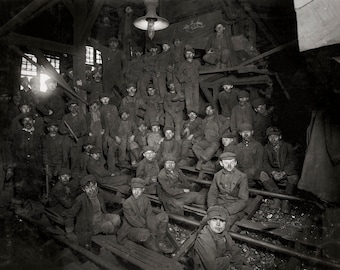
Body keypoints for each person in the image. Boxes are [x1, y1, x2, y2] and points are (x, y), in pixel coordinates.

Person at [64, 174, 123, 248]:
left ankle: (113, 231)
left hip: (101, 216)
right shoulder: (80, 199)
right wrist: (69, 231)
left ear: (96, 185)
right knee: (108, 226)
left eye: (93, 186)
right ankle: (112, 234)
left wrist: (123, 201)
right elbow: (70, 214)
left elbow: (110, 197)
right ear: (83, 189)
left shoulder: (99, 192)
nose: (91, 189)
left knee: (117, 218)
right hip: (90, 225)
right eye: (88, 188)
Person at [117, 178, 174, 254]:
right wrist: (150, 231)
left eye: (139, 189)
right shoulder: (127, 203)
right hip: (131, 229)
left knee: (163, 216)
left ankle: (161, 241)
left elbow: (149, 216)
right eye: (134, 189)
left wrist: (153, 232)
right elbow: (134, 221)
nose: (136, 192)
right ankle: (154, 244)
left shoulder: (146, 200)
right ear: (131, 189)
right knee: (155, 249)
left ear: (143, 190)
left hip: (145, 225)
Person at [194, 205, 249, 270]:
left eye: (221, 221)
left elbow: (234, 250)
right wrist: (228, 258)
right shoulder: (204, 238)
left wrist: (238, 265)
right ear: (209, 222)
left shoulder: (224, 233)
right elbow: (213, 266)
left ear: (225, 223)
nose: (218, 224)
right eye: (214, 219)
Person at [259, 127, 299, 213]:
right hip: (274, 172)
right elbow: (265, 163)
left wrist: (284, 173)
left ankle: (286, 201)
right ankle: (276, 198)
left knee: (294, 177)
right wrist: (273, 172)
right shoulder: (266, 147)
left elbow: (293, 162)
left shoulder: (288, 146)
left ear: (280, 137)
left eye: (275, 137)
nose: (273, 139)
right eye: (270, 137)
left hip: (285, 171)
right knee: (262, 174)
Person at [207, 152, 249, 230]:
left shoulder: (242, 177)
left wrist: (228, 211)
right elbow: (212, 193)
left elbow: (243, 200)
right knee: (208, 222)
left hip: (235, 209)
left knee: (225, 225)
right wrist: (212, 207)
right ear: (221, 163)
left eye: (232, 162)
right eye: (226, 163)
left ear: (235, 163)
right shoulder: (217, 175)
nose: (229, 165)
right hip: (219, 205)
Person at [193, 104, 230, 170]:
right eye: (207, 110)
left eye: (210, 109)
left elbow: (228, 121)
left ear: (213, 110)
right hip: (206, 140)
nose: (208, 111)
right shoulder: (204, 121)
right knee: (195, 146)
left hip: (216, 140)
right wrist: (199, 139)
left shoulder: (219, 117)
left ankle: (200, 162)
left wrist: (221, 131)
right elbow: (202, 132)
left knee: (212, 148)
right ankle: (207, 164)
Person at [59, 99, 88, 171]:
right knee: (64, 159)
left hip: (76, 142)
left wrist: (77, 134)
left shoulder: (82, 117)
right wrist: (68, 131)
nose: (73, 109)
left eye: (75, 106)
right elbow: (61, 129)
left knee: (74, 160)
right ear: (69, 108)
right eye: (71, 107)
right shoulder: (65, 117)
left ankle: (72, 175)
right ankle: (64, 174)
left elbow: (85, 130)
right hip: (67, 141)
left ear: (78, 107)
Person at [235, 123, 264, 187]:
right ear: (240, 133)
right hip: (240, 173)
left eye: (247, 132)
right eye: (243, 132)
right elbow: (235, 162)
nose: (245, 134)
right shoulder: (238, 147)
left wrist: (249, 173)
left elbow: (258, 164)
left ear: (252, 132)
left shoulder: (258, 146)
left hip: (253, 175)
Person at [176, 45, 201, 113]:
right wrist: (184, 79)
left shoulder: (197, 62)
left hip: (195, 83)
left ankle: (196, 115)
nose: (189, 55)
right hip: (187, 84)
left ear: (193, 54)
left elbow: (199, 70)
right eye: (187, 53)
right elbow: (178, 74)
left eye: (190, 53)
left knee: (196, 99)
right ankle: (190, 115)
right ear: (185, 55)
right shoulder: (183, 64)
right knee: (189, 100)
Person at [98, 92, 119, 171]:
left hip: (114, 132)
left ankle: (111, 168)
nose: (105, 100)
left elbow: (117, 120)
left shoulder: (113, 107)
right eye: (103, 99)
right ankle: (109, 163)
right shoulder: (100, 109)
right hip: (105, 132)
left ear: (109, 99)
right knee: (104, 149)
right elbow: (99, 122)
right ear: (101, 100)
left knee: (111, 149)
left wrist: (116, 134)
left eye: (106, 98)